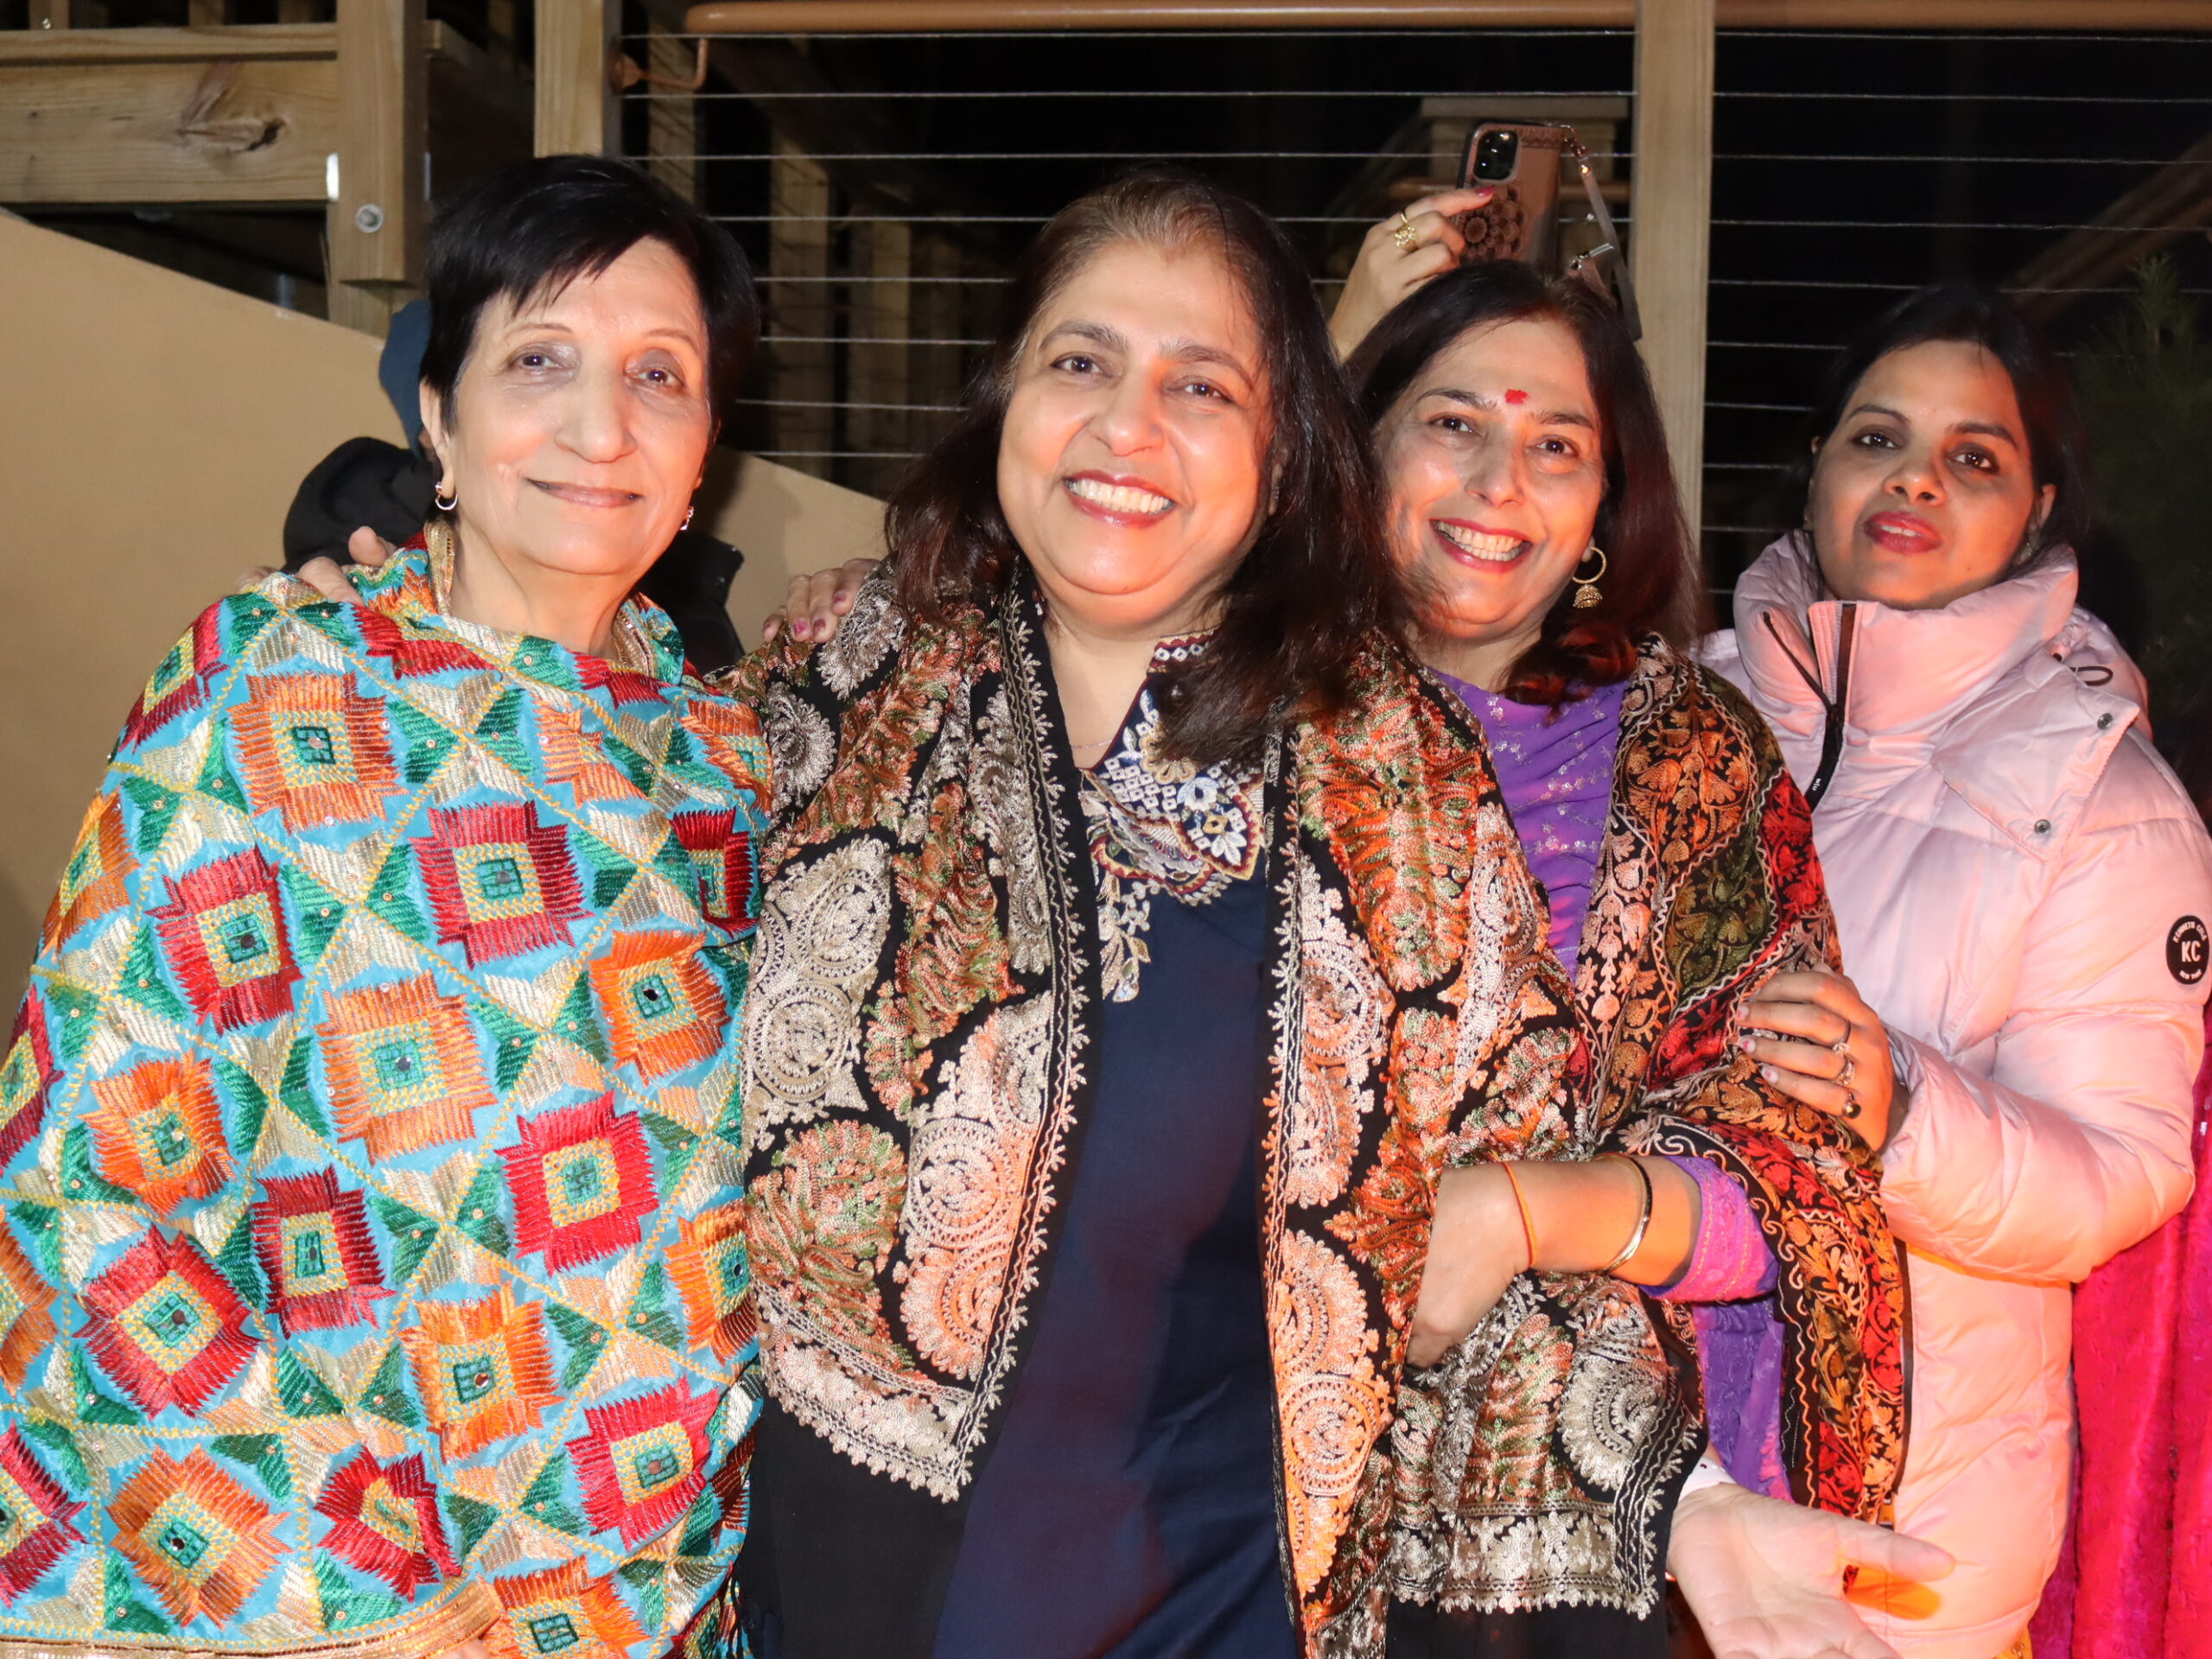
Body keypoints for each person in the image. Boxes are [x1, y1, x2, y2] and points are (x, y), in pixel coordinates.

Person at [707, 170, 1944, 1659]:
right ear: (1004, 400)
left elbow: (1480, 1223)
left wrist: (1685, 1507)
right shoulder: (833, 687)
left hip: (1216, 1601)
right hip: (842, 1589)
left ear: (1283, 456)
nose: (1128, 427)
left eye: (1202, 386)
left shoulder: (1394, 788)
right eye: (1081, 361)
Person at [0, 155, 770, 1659]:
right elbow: (83, 1199)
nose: (601, 426)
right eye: (538, 361)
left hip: (675, 1605)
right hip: (363, 1606)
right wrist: (363, 1594)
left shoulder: (736, 766)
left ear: (705, 451)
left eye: (658, 375)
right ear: (437, 414)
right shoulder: (275, 690)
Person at [1338, 260, 1907, 1655]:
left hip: (1580, 1530)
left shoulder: (1693, 762)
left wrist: (1520, 1214)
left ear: (1604, 503)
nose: (1499, 485)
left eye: (1557, 447)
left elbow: (1788, 1184)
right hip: (1219, 1462)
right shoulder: (1225, 708)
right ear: (1355, 445)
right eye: (1452, 423)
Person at [1703, 286, 2212, 1657]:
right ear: (1815, 467)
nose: (1915, 477)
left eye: (1972, 456)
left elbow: (2125, 1173)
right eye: (1876, 437)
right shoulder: (1677, 717)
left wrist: (1905, 1109)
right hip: (1618, 1484)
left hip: (1899, 1540)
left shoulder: (2104, 801)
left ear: (2037, 512)